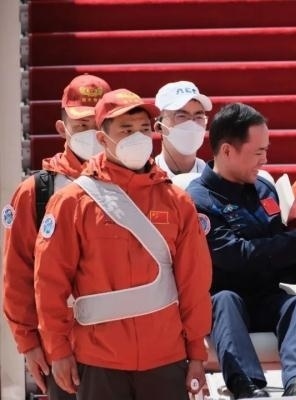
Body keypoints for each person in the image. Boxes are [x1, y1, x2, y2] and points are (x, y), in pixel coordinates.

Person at [33, 88, 213, 400]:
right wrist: (57, 350)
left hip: (165, 358)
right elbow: (50, 282)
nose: (137, 138)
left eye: (143, 129)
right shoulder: (72, 202)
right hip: (98, 360)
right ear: (102, 139)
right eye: (126, 130)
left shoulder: (177, 201)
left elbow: (194, 283)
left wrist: (196, 353)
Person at [187, 102, 296, 398]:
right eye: (258, 152)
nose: (265, 159)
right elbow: (234, 255)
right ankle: (247, 386)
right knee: (225, 300)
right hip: (221, 302)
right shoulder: (198, 199)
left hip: (265, 297)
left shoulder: (264, 190)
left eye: (266, 150)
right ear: (227, 151)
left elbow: (276, 255)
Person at [2, 73, 111, 400]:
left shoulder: (135, 183)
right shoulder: (35, 192)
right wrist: (28, 343)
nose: (91, 133)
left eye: (97, 124)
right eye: (81, 125)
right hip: (63, 348)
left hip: (126, 347)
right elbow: (17, 273)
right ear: (62, 129)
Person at [154, 80, 212, 181]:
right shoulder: (145, 179)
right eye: (181, 116)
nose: (192, 123)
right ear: (159, 126)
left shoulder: (213, 180)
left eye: (199, 116)